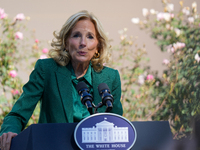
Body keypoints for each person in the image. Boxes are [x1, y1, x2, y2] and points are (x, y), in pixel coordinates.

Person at [0, 10, 123, 150]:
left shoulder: (110, 78)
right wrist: (9, 131)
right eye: (76, 36)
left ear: (98, 47)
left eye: (90, 37)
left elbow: (119, 124)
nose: (83, 43)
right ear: (65, 42)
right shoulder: (47, 70)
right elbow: (18, 114)